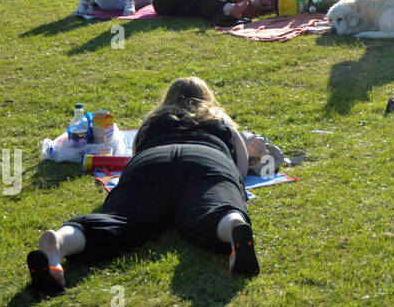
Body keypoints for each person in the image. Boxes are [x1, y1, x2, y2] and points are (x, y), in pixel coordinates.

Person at [26, 77, 258, 293]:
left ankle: (59, 242)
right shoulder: (221, 121)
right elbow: (241, 168)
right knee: (214, 209)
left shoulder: (153, 120)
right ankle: (233, 226)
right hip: (207, 160)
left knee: (121, 220)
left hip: (150, 163)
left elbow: (136, 154)